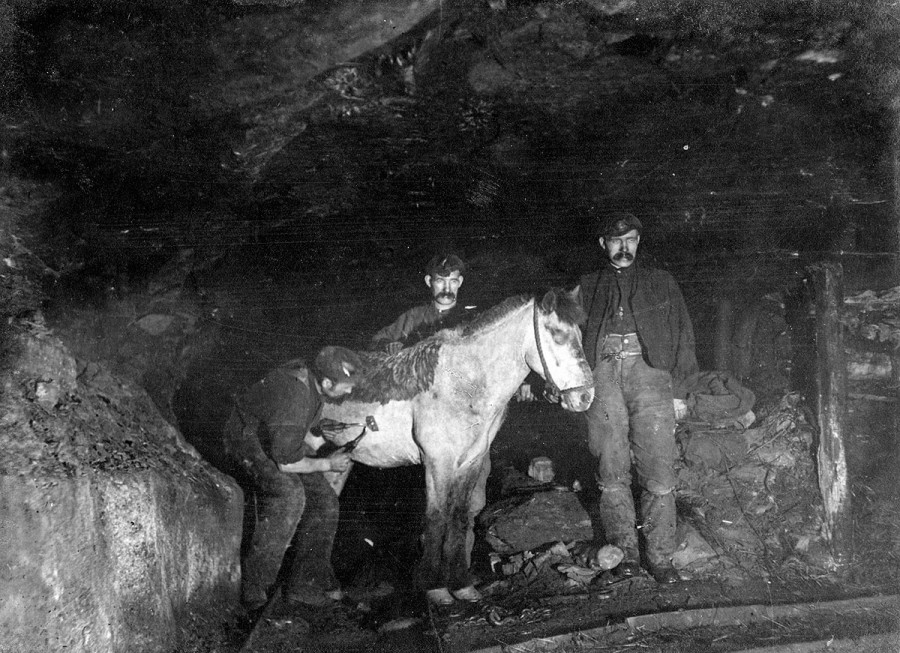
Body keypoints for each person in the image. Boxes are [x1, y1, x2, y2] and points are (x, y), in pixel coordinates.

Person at [578, 212, 698, 584]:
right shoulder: (587, 284)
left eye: (630, 239)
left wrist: (680, 392)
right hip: (603, 374)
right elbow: (567, 338)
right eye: (616, 241)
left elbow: (683, 334)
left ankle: (661, 558)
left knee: (659, 470)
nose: (623, 247)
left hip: (651, 374)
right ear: (603, 244)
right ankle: (625, 554)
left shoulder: (661, 282)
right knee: (611, 467)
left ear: (639, 242)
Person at [222, 345, 363, 611]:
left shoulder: (314, 385)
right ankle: (254, 586)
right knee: (288, 494)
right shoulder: (295, 394)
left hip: (274, 439)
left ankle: (306, 583)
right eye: (346, 386)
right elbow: (287, 464)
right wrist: (326, 463)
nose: (350, 391)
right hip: (245, 439)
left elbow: (299, 430)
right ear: (326, 382)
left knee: (326, 502)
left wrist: (324, 435)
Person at [369, 253, 476, 353]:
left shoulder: (471, 318)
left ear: (460, 282)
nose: (447, 289)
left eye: (453, 281)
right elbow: (375, 340)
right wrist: (389, 345)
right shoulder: (414, 316)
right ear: (429, 281)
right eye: (440, 281)